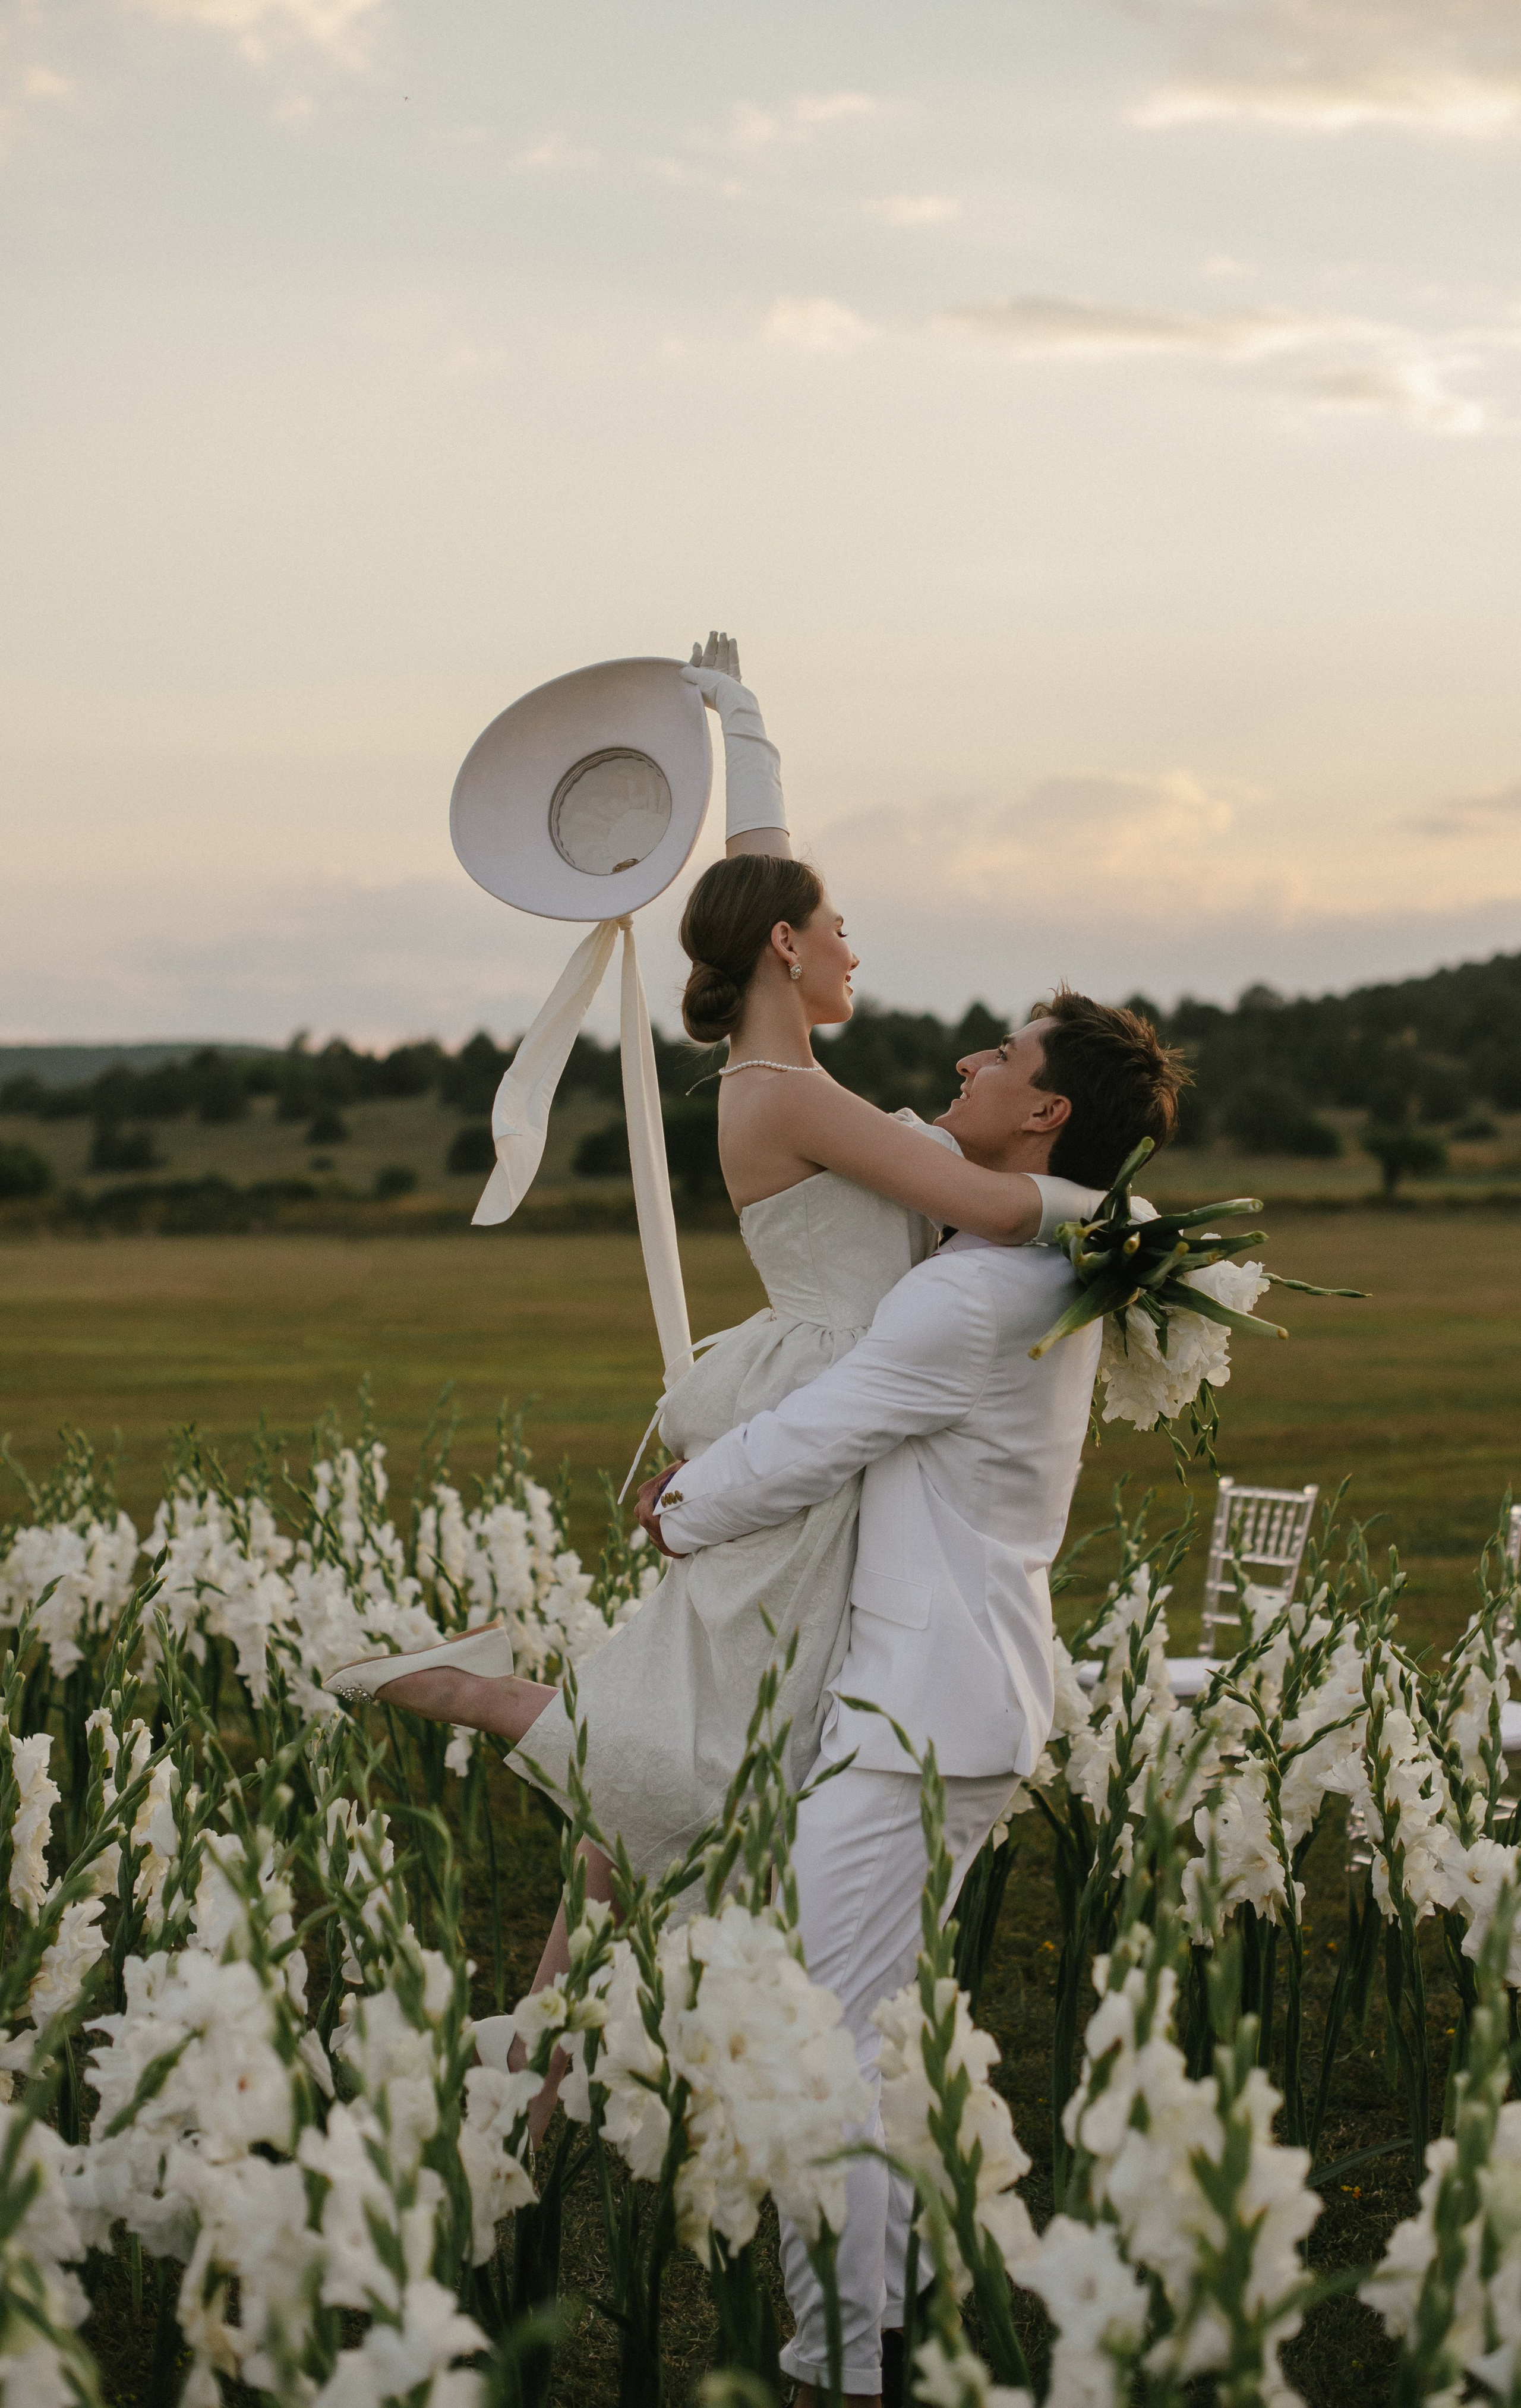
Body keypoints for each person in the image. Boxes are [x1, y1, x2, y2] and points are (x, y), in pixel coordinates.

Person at [323, 635, 1096, 2085]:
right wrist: (1126, 1228)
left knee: (699, 1742)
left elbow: (757, 876)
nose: (856, 948)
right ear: (787, 952)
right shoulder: (785, 1097)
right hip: (821, 1418)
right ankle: (470, 1700)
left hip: (826, 1393)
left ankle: (535, 2072)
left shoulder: (782, 1067)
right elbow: (992, 1206)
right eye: (838, 929)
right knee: (703, 1757)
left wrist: (742, 733)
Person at [643, 990, 1188, 2408]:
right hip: (949, 1698)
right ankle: (881, 2329)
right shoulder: (1063, 1248)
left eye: (999, 1054)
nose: (965, 1060)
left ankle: (842, 2364)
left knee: (824, 2040)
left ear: (1045, 1110)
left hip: (919, 1718)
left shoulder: (974, 1291)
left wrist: (678, 1508)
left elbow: (816, 1437)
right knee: (869, 2027)